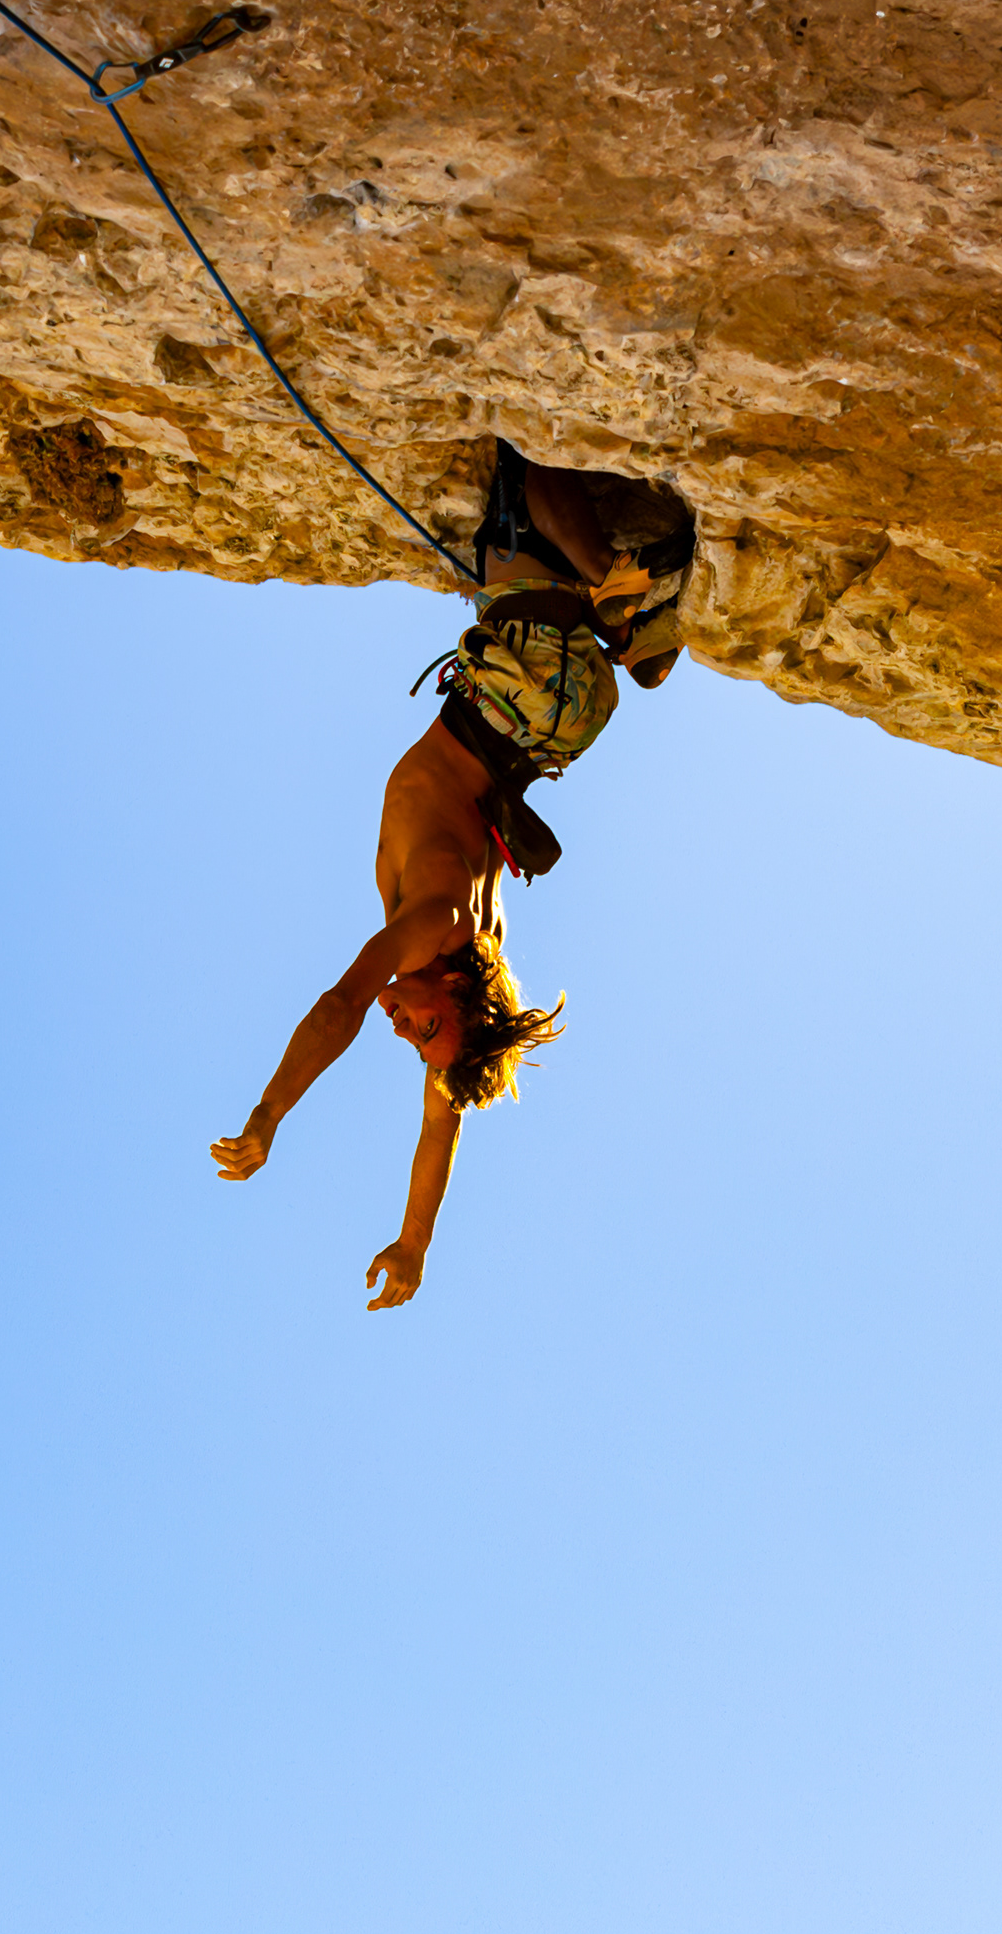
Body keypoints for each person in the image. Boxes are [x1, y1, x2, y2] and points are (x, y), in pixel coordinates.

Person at [208, 441, 691, 1310]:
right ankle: (613, 589)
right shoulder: (437, 926)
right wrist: (267, 1117)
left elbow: (442, 1120)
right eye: (424, 1029)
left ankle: (635, 642)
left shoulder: (478, 940)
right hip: (527, 691)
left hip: (559, 729)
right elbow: (338, 1008)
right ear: (464, 1003)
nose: (404, 1029)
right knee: (519, 477)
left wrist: (414, 1243)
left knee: (538, 566)